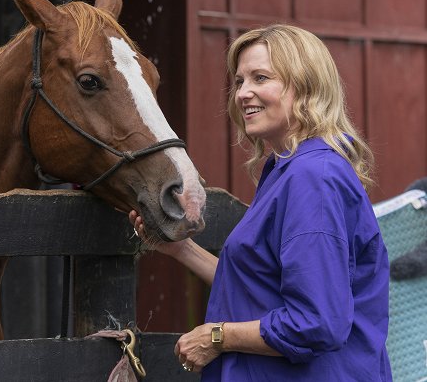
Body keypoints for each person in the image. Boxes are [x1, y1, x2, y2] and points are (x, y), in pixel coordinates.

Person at [130, 24, 391, 381]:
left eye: (260, 78)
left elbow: (316, 322)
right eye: (239, 81)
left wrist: (217, 336)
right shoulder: (286, 168)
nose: (243, 93)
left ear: (306, 85)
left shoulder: (312, 177)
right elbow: (257, 287)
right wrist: (180, 250)